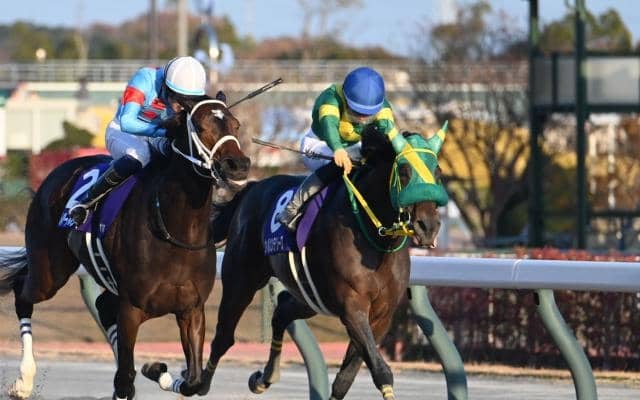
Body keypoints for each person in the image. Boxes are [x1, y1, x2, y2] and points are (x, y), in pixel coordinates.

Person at [69, 56, 208, 225]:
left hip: (155, 137)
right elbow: (127, 122)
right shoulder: (144, 79)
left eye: (189, 100)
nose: (182, 105)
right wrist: (165, 132)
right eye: (180, 98)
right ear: (167, 87)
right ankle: (86, 202)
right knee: (141, 154)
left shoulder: (184, 92)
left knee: (182, 155)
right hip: (121, 133)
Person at [278, 66, 413, 231]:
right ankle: (292, 208)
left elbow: (391, 134)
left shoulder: (383, 107)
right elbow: (329, 127)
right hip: (318, 144)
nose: (362, 118)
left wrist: (408, 154)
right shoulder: (330, 98)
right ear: (346, 97)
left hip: (352, 148)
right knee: (339, 164)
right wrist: (338, 149)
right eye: (357, 111)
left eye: (368, 114)